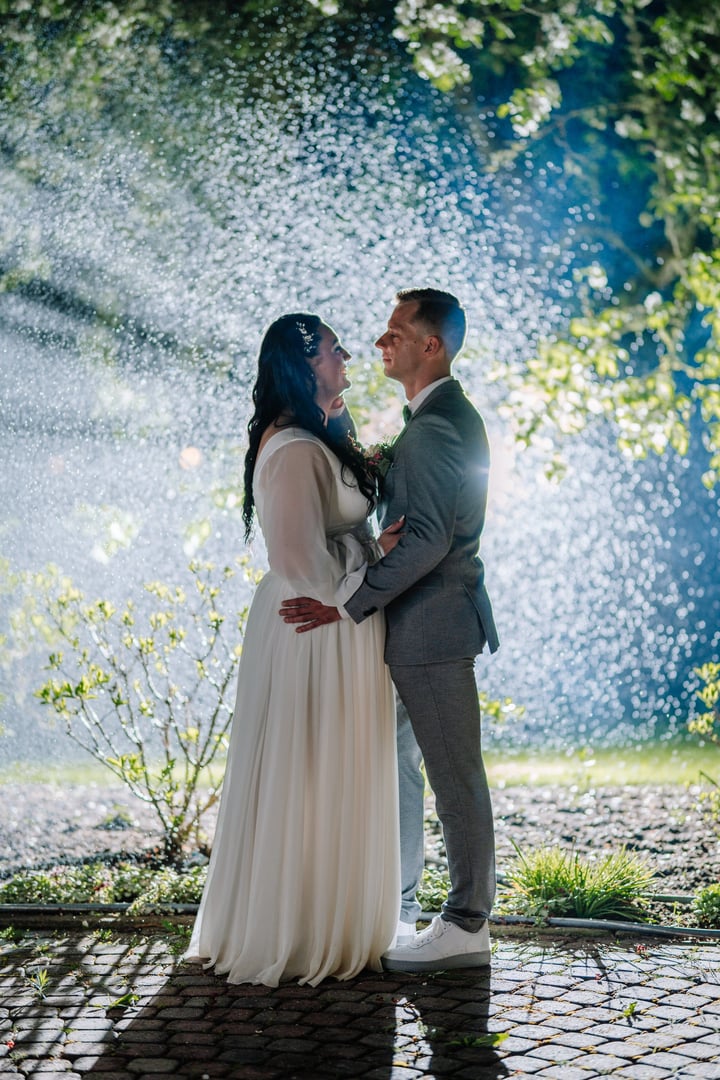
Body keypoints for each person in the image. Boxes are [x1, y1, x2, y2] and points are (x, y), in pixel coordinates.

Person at [281, 288, 499, 972]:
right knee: (427, 770)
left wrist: (347, 601)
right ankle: (419, 910)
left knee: (454, 776)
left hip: (432, 630)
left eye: (396, 331)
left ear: (429, 346)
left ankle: (465, 924)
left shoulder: (435, 427)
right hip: (431, 627)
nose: (381, 342)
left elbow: (428, 541)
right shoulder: (435, 419)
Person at [185, 313, 403, 986]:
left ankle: (331, 915)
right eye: (337, 353)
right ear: (304, 363)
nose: (347, 362)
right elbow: (298, 558)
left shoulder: (318, 438)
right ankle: (296, 929)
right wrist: (380, 557)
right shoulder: (293, 450)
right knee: (305, 767)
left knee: (335, 767)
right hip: (312, 628)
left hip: (336, 621)